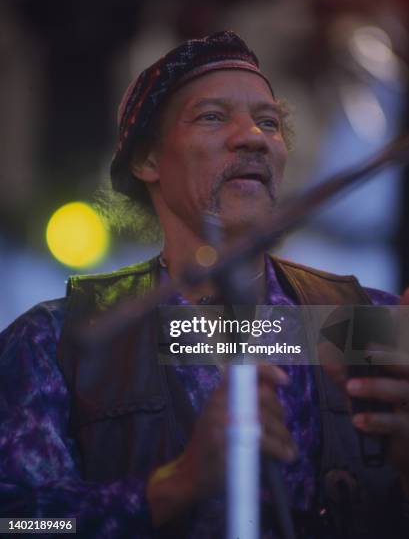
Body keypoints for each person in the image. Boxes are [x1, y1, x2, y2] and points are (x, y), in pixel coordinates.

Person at [1, 30, 409, 539]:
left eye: (269, 122)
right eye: (213, 117)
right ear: (147, 160)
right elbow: (16, 523)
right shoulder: (53, 342)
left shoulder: (367, 324)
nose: (253, 137)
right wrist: (177, 484)